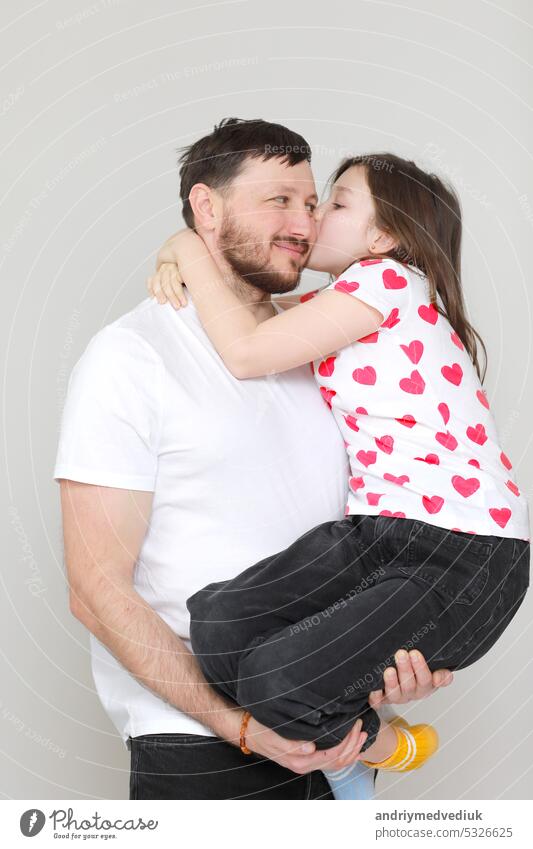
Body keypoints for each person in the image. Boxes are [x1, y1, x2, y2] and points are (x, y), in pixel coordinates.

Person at [54, 117, 454, 801]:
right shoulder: (131, 357)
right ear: (206, 208)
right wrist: (238, 724)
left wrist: (394, 652)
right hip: (205, 747)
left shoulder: (325, 352)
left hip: (339, 745)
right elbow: (95, 590)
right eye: (278, 200)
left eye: (311, 201)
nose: (303, 221)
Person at [147, 143, 531, 800]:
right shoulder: (346, 300)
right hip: (379, 531)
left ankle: (386, 747)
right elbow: (247, 314)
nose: (315, 214)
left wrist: (185, 245)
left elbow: (246, 350)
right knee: (217, 621)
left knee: (277, 679)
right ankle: (340, 727)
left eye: (336, 201)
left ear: (382, 236)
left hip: (464, 552)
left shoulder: (386, 281)